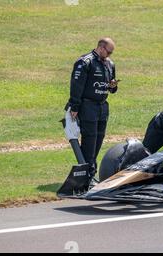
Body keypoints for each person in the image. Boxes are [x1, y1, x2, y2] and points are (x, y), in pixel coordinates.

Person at [65, 37, 119, 177]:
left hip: (102, 107)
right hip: (88, 106)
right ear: (101, 48)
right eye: (109, 52)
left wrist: (113, 86)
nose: (110, 55)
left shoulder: (109, 64)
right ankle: (87, 173)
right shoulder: (85, 62)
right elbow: (76, 86)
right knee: (90, 140)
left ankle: (91, 171)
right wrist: (75, 107)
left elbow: (111, 88)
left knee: (99, 139)